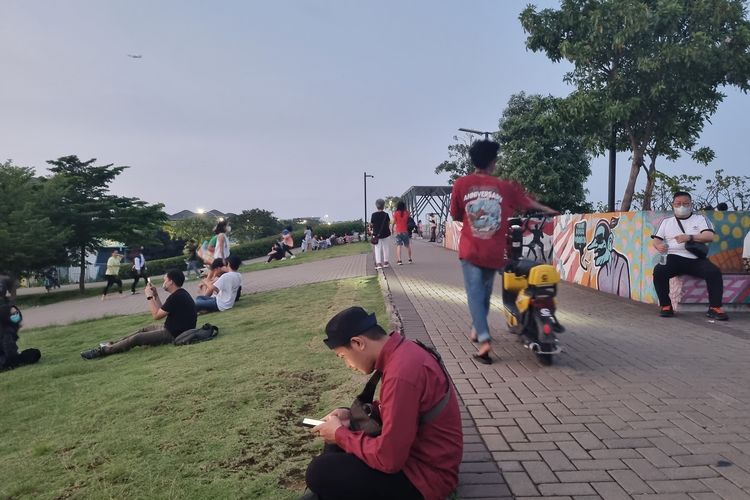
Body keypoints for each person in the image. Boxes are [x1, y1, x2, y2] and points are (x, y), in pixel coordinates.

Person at [304, 307, 462, 500]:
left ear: (358, 343)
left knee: (319, 471)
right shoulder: (403, 351)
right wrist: (349, 418)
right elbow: (401, 408)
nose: (348, 365)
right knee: (335, 448)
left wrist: (340, 435)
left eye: (343, 357)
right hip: (419, 457)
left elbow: (390, 459)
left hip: (426, 478)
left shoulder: (401, 374)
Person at [449, 139, 555, 364]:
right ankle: (478, 330)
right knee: (484, 294)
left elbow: (456, 214)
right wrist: (546, 209)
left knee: (475, 294)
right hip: (495, 252)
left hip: (471, 249)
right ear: (493, 162)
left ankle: (484, 340)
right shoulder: (503, 187)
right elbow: (525, 202)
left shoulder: (461, 184)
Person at [81, 270, 197, 359]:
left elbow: (156, 315)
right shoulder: (180, 294)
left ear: (171, 281)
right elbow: (162, 311)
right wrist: (155, 296)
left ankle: (103, 351)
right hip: (172, 329)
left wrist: (149, 296)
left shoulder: (176, 297)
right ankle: (113, 344)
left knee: (138, 338)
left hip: (174, 334)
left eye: (165, 280)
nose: (164, 282)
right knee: (144, 329)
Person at [652, 191, 728, 320]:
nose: (682, 206)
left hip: (695, 259)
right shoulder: (666, 222)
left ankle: (715, 307)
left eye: (686, 204)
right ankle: (666, 305)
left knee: (714, 272)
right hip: (673, 257)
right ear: (673, 205)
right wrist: (659, 246)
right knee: (659, 271)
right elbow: (656, 239)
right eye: (678, 203)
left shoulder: (700, 219)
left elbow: (709, 236)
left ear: (691, 204)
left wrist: (689, 237)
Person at [0, 278, 41, 371]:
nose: (16, 316)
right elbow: (10, 352)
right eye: (13, 315)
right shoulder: (6, 331)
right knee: (33, 354)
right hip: (4, 359)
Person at [370, 199, 391, 270]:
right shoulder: (386, 215)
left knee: (377, 249)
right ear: (383, 206)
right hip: (386, 233)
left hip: (376, 235)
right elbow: (388, 224)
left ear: (376, 206)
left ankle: (378, 263)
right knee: (386, 248)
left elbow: (372, 225)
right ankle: (386, 262)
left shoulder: (373, 215)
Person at [391, 201, 413, 265]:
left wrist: (392, 229)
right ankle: (410, 259)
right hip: (405, 231)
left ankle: (399, 260)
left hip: (398, 232)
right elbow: (409, 217)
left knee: (399, 246)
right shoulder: (407, 213)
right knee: (407, 245)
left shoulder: (396, 213)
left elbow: (393, 222)